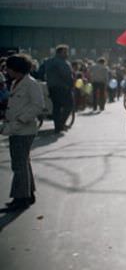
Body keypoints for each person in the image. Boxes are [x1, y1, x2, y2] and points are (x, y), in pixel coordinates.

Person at [1, 54, 44, 211]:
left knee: (19, 165)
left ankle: (20, 198)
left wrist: (21, 119)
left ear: (15, 69)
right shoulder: (15, 83)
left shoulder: (31, 84)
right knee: (23, 163)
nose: (7, 71)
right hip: (16, 128)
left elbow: (38, 105)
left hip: (24, 129)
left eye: (9, 68)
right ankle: (28, 194)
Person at [40, 44, 73, 133]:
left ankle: (57, 126)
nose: (67, 54)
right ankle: (61, 124)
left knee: (56, 107)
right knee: (69, 105)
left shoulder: (48, 61)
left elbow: (40, 72)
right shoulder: (62, 62)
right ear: (61, 52)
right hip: (63, 87)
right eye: (66, 52)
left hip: (52, 87)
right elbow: (66, 75)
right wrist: (71, 84)